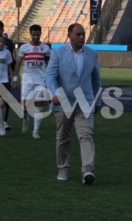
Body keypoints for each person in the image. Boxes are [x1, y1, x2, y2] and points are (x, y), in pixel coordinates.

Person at [46, 23, 101, 185]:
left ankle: (88, 171)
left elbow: (96, 79)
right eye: (78, 34)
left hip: (85, 102)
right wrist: (54, 93)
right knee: (63, 138)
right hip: (64, 102)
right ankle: (63, 168)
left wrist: (98, 101)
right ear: (69, 35)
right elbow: (50, 76)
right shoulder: (58, 53)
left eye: (83, 34)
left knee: (86, 136)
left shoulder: (92, 54)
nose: (82, 37)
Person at [12, 24, 51, 139]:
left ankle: (35, 131)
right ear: (30, 34)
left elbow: (49, 65)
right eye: (33, 35)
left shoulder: (45, 48)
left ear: (40, 34)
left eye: (37, 35)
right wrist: (15, 79)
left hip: (40, 80)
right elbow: (18, 63)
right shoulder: (24, 48)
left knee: (38, 104)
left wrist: (50, 79)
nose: (35, 37)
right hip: (27, 80)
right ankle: (25, 120)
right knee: (25, 105)